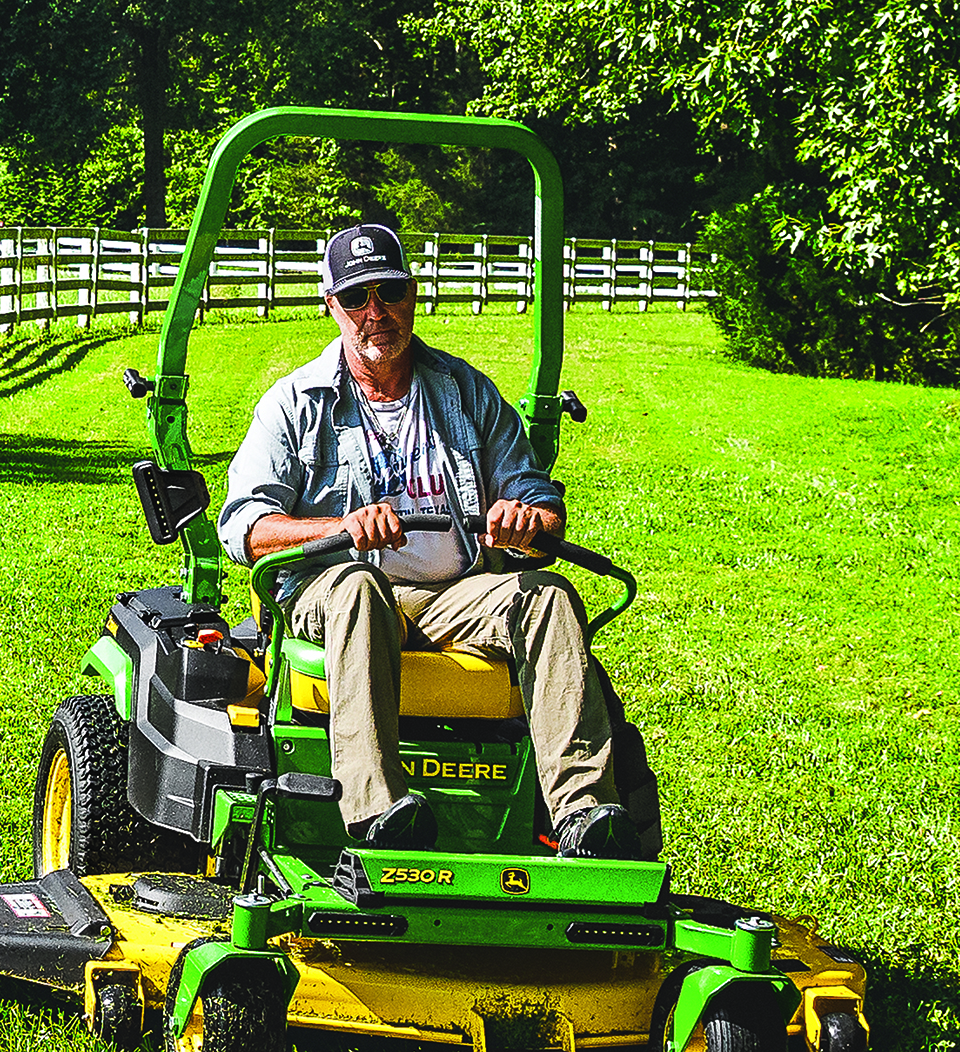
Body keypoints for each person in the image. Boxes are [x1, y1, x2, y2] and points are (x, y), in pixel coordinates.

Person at [218, 224, 657, 859]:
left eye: (389, 293)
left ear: (412, 295)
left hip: (455, 593)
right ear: (331, 307)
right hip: (337, 594)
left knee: (549, 595)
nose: (376, 313)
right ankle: (375, 810)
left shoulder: (464, 392)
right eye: (357, 297)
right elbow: (249, 527)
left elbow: (537, 497)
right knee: (360, 586)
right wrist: (341, 530)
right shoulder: (294, 404)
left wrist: (528, 519)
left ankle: (584, 815)